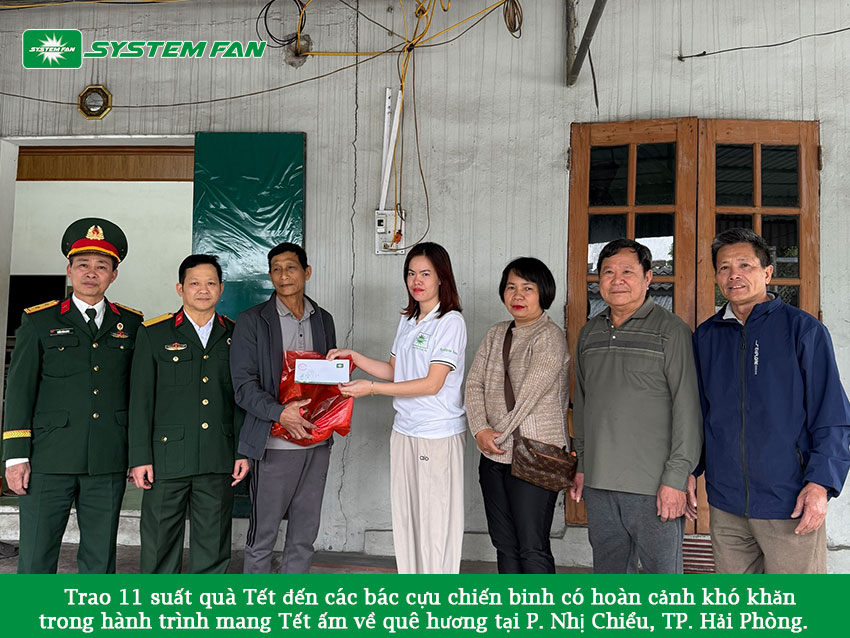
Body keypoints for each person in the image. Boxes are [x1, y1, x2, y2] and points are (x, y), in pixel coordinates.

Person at [689, 228, 850, 574]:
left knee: (799, 605)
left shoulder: (803, 330)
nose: (734, 275)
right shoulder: (706, 337)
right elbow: (697, 415)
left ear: (767, 272)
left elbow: (832, 415)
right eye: (724, 267)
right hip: (726, 504)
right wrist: (689, 470)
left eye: (745, 265)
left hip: (790, 502)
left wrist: (820, 484)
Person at [1, 218, 143, 573]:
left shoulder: (131, 325)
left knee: (100, 559)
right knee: (36, 556)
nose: (91, 273)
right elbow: (19, 391)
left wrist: (137, 454)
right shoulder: (39, 321)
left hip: (107, 459)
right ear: (69, 270)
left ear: (114, 275)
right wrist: (15, 457)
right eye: (83, 264)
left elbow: (139, 394)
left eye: (101, 266)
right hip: (48, 458)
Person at [328, 242, 467, 574]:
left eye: (425, 274)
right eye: (411, 273)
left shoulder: (450, 322)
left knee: (435, 523)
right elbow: (395, 371)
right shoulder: (409, 319)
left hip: (436, 435)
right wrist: (355, 357)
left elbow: (432, 383)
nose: (416, 281)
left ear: (442, 278)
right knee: (407, 519)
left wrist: (371, 389)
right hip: (404, 430)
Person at [570, 238, 702, 574]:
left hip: (654, 485)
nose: (617, 280)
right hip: (599, 481)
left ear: (647, 277)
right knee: (609, 576)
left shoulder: (671, 331)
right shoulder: (589, 333)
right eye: (608, 272)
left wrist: (676, 478)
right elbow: (582, 404)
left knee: (664, 580)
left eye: (627, 271)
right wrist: (582, 464)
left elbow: (688, 410)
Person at [128, 254, 248, 573]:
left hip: (217, 456)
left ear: (221, 289)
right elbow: (140, 401)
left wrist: (242, 451)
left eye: (211, 283)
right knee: (159, 544)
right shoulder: (154, 333)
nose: (203, 290)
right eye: (194, 283)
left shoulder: (236, 335)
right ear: (180, 288)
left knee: (213, 545)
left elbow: (241, 399)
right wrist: (139, 458)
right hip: (166, 459)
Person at [229, 242, 336, 574]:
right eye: (276, 269)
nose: (283, 275)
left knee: (304, 535)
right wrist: (280, 413)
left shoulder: (324, 319)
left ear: (307, 272)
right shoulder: (252, 321)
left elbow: (327, 380)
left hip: (316, 442)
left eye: (290, 267)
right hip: (273, 443)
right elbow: (243, 387)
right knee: (262, 536)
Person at [465, 257, 568, 573]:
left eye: (527, 288)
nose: (518, 295)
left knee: (532, 546)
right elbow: (474, 384)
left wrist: (493, 434)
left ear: (543, 292)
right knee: (504, 544)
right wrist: (479, 430)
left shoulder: (549, 336)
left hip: (537, 454)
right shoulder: (496, 333)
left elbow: (527, 399)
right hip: (493, 455)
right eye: (511, 287)